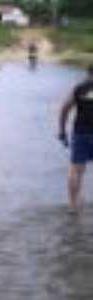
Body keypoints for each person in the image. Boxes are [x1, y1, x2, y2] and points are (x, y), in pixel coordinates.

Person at [58, 65, 93, 214]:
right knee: (78, 171)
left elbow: (65, 108)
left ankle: (73, 206)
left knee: (76, 170)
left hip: (81, 132)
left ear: (88, 73)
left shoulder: (79, 88)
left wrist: (62, 130)